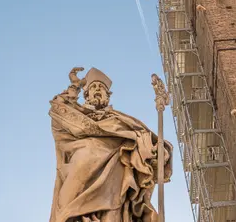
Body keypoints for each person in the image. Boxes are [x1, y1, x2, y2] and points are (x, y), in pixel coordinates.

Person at [49, 67, 172, 222]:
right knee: (66, 211)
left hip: (114, 170)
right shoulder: (76, 117)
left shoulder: (120, 120)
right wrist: (74, 87)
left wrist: (154, 150)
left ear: (108, 95)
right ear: (86, 95)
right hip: (79, 169)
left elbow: (141, 137)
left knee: (113, 209)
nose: (97, 90)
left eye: (101, 87)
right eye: (93, 87)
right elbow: (57, 112)